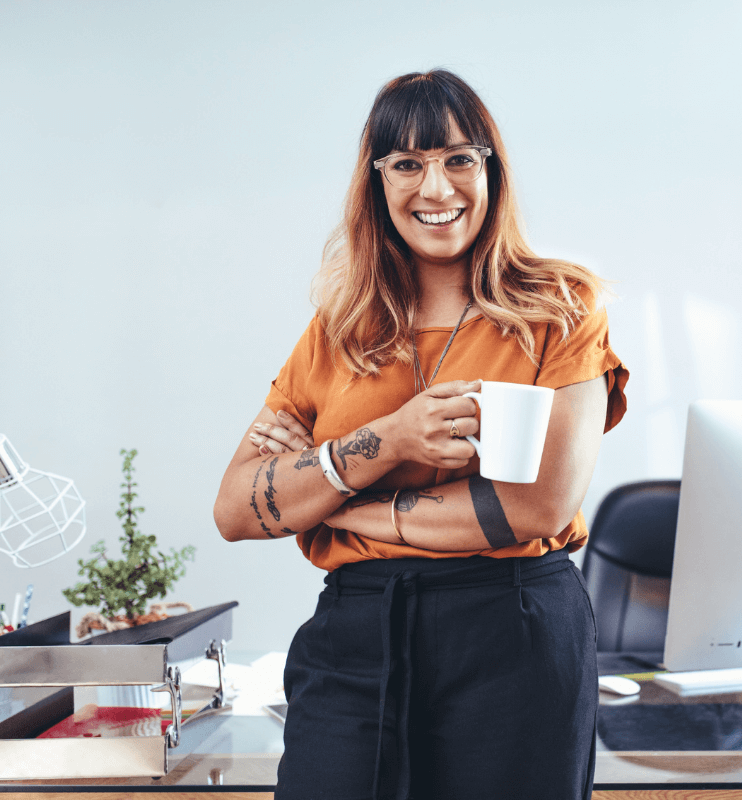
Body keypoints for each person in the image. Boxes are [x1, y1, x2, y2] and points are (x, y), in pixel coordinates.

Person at [213, 69, 629, 800]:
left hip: (514, 633)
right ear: (376, 183)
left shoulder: (560, 310)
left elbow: (534, 508)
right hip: (355, 636)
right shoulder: (338, 330)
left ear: (489, 171)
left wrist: (329, 495)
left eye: (458, 159)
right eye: (407, 164)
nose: (436, 190)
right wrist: (391, 441)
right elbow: (238, 508)